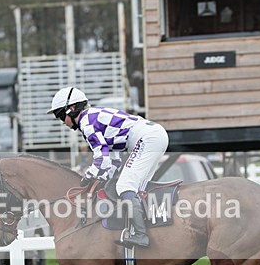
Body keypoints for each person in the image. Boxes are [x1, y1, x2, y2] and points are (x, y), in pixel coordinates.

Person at [47, 86, 169, 247]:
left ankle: (141, 234)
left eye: (61, 116)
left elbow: (101, 158)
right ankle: (147, 228)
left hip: (147, 138)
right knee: (136, 188)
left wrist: (88, 176)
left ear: (72, 108)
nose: (63, 122)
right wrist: (103, 178)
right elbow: (113, 160)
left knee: (125, 186)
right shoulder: (92, 117)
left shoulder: (86, 121)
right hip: (153, 136)